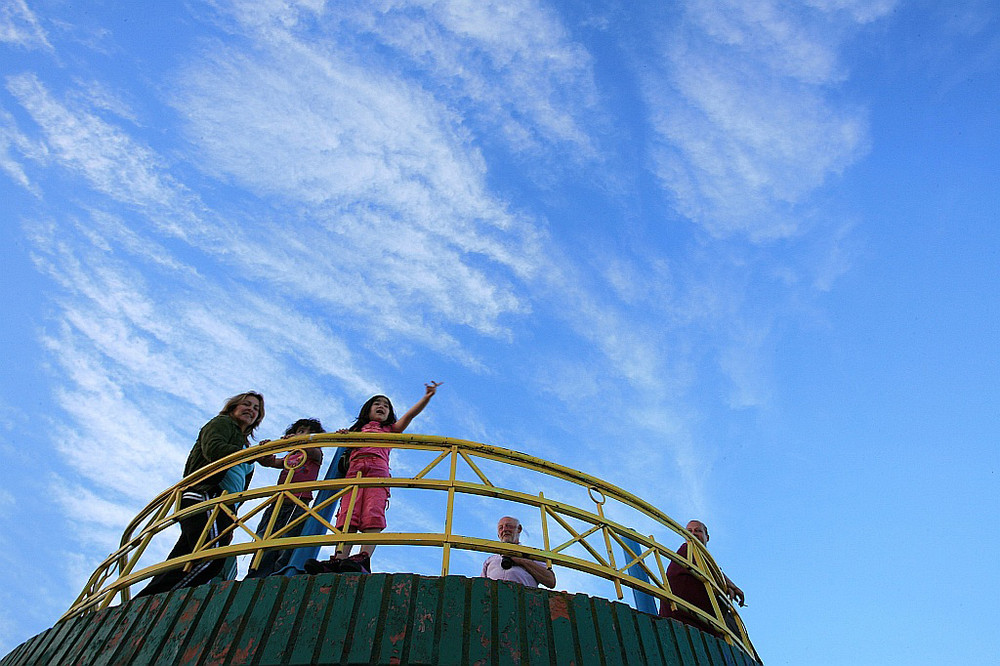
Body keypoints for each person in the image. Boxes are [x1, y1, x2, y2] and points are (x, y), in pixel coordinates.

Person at [306, 382, 442, 575]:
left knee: (373, 512)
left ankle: (363, 557)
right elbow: (340, 443)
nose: (382, 407)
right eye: (377, 403)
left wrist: (426, 397)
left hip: (377, 471)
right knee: (348, 514)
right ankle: (340, 557)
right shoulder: (357, 430)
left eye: (386, 406)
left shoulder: (390, 430)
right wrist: (345, 435)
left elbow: (409, 416)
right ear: (367, 409)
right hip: (355, 472)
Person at [136, 392, 264, 597]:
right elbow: (213, 449)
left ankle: (145, 600)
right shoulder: (222, 423)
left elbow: (239, 488)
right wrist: (255, 454)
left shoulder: (244, 446)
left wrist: (232, 518)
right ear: (233, 407)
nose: (251, 410)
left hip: (223, 506)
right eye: (246, 405)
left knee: (184, 558)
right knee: (210, 557)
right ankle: (160, 601)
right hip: (205, 495)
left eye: (256, 409)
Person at [246, 418, 325, 578]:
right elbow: (274, 462)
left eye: (311, 433)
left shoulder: (315, 453)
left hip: (298, 503)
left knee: (287, 540)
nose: (305, 435)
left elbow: (313, 452)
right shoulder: (292, 456)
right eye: (301, 431)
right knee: (265, 537)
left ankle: (280, 574)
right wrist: (265, 453)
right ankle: (257, 574)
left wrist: (299, 442)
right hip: (279, 501)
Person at [658, 520, 744, 637]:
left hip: (701, 626)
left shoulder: (705, 563)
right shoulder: (686, 550)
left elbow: (709, 567)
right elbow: (704, 565)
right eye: (689, 531)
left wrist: (727, 585)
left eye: (698, 531)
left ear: (706, 537)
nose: (693, 533)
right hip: (677, 620)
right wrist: (730, 584)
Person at [481, 516, 556, 588]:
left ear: (519, 529)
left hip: (525, 599)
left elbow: (550, 581)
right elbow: (481, 586)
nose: (504, 529)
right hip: (492, 599)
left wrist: (522, 561)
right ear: (498, 534)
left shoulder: (532, 555)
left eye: (508, 526)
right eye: (501, 528)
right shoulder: (490, 560)